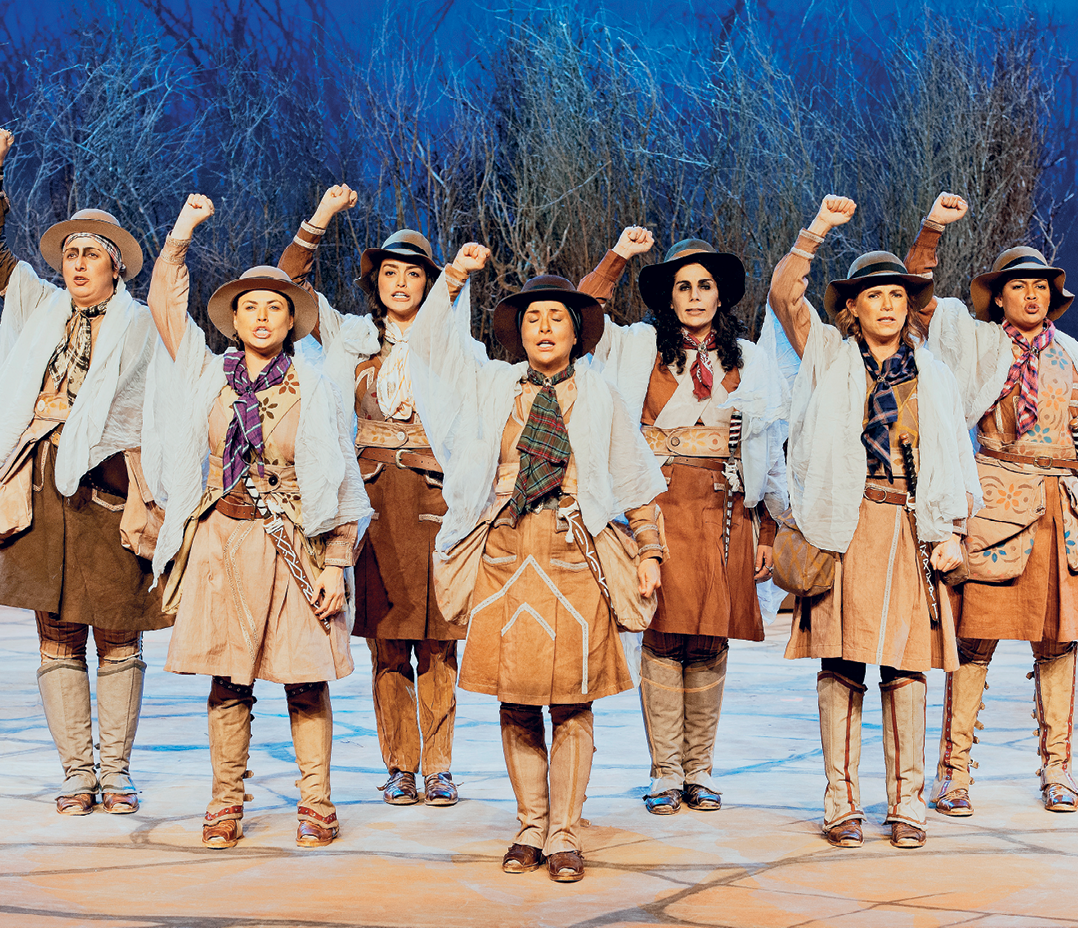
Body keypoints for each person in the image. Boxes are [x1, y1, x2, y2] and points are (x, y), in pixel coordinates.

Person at [408, 246, 666, 882]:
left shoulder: (601, 393)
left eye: (557, 317)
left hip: (577, 555)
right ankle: (528, 825)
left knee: (574, 702)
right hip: (504, 554)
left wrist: (651, 551)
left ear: (577, 331)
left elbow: (635, 478)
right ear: (517, 332)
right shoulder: (491, 386)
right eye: (532, 319)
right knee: (516, 701)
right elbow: (429, 350)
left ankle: (565, 831)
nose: (545, 327)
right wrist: (453, 278)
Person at [144, 194, 371, 849]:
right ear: (235, 318)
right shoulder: (209, 375)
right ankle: (225, 800)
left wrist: (336, 562)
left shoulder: (316, 383)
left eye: (276, 305)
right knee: (228, 678)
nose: (264, 315)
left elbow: (345, 481)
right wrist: (181, 232)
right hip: (223, 543)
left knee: (304, 677)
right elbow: (165, 306)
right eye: (251, 306)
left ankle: (317, 800)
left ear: (291, 318)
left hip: (296, 543)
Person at [767, 194, 979, 849]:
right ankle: (840, 799)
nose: (886, 304)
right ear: (852, 305)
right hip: (845, 522)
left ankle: (907, 800)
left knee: (907, 667)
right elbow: (783, 294)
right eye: (872, 295)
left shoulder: (934, 374)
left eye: (896, 295)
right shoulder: (829, 356)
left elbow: (953, 456)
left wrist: (952, 531)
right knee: (841, 663)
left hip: (909, 528)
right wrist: (819, 229)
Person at [0, 127, 169, 815]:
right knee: (56, 635)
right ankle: (77, 773)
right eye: (72, 254)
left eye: (93, 255)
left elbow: (158, 411)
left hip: (111, 491)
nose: (79, 264)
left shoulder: (143, 326)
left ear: (117, 267)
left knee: (118, 633)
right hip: (43, 494)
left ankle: (116, 773)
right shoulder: (41, 307)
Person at [905, 193, 1078, 815]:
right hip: (996, 507)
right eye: (1019, 286)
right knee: (974, 644)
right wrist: (933, 230)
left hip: (1061, 514)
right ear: (998, 295)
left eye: (1040, 287)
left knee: (1059, 645)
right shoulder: (976, 344)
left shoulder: (1076, 357)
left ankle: (1058, 769)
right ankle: (955, 772)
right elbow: (917, 302)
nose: (1031, 296)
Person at [579, 228, 786, 814]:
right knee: (664, 636)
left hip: (726, 511)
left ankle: (700, 770)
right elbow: (584, 314)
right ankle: (664, 772)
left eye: (705, 285)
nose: (694, 295)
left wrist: (768, 529)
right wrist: (617, 254)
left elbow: (772, 449)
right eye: (682, 286)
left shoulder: (752, 362)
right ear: (667, 298)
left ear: (721, 295)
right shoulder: (637, 347)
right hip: (658, 508)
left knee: (711, 640)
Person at [277, 186, 470, 807]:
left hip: (435, 506)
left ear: (431, 285)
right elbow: (285, 283)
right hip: (371, 511)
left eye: (414, 274)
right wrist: (322, 216)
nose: (400, 283)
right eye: (390, 272)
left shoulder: (452, 349)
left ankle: (438, 764)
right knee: (388, 643)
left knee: (439, 642)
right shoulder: (349, 338)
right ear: (376, 282)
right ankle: (400, 765)